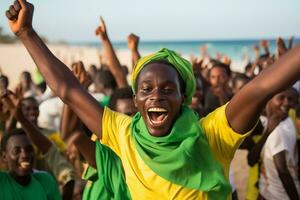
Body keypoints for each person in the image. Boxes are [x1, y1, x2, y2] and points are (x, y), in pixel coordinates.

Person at [5, 1, 300, 198]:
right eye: (146, 89)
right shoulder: (122, 133)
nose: (156, 95)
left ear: (184, 97)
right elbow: (69, 90)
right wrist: (27, 34)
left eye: (167, 89)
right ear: (136, 99)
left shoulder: (212, 134)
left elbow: (261, 87)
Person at [0, 129, 61, 200]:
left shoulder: (45, 180)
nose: (25, 155)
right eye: (17, 151)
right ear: (4, 156)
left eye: (29, 149)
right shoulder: (2, 182)